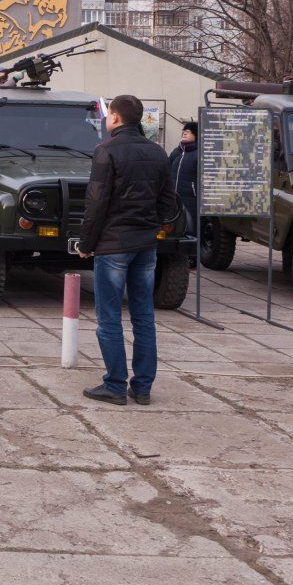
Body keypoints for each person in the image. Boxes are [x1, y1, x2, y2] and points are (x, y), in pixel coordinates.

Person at [76, 94, 178, 406]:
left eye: (109, 116)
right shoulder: (158, 152)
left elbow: (96, 202)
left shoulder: (106, 150)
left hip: (113, 244)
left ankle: (116, 385)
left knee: (109, 317)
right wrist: (151, 225)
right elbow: (168, 203)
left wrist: (86, 244)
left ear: (117, 119)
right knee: (143, 315)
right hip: (145, 244)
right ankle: (143, 387)